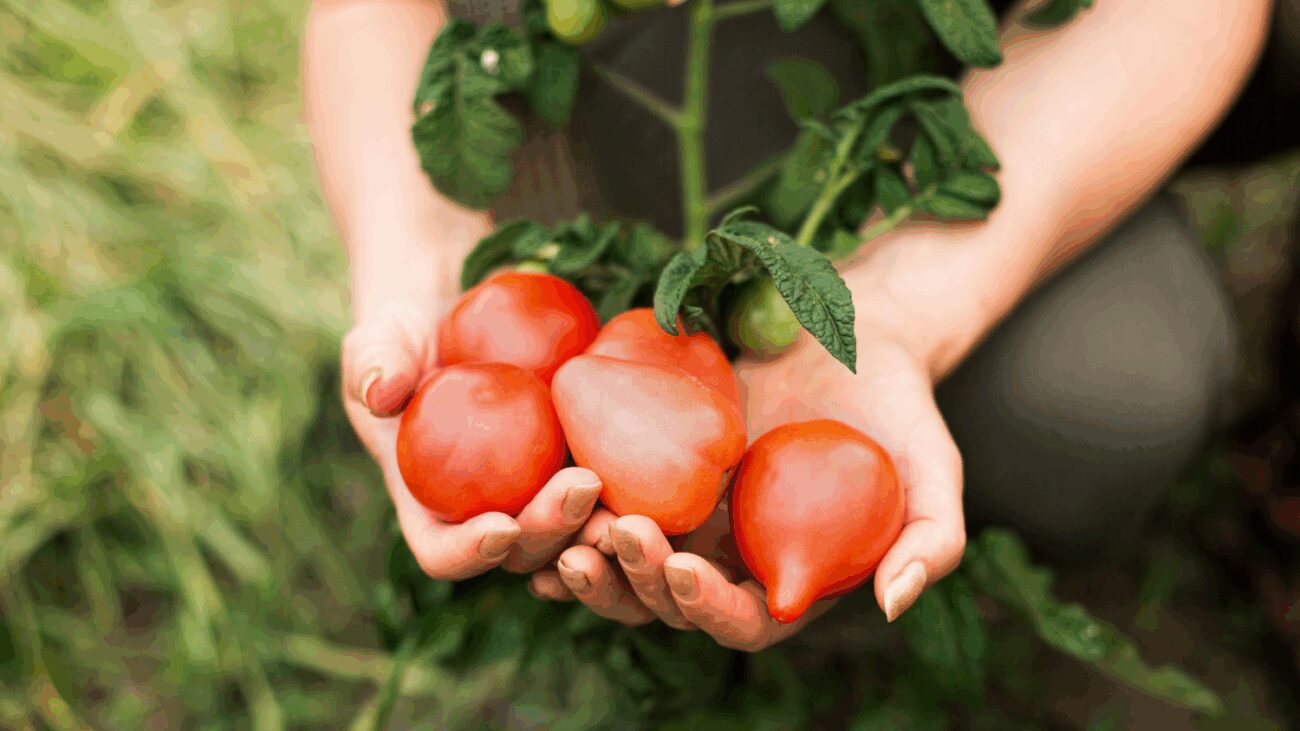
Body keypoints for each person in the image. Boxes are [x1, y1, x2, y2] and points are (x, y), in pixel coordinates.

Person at [304, 0, 1276, 651]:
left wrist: (912, 298)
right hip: (641, 72)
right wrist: (416, 242)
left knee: (1102, 388)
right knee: (1100, 386)